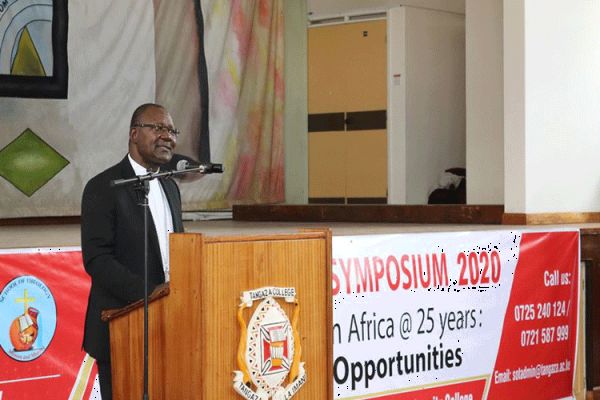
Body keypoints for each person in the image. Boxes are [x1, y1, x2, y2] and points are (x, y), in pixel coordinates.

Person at [80, 103, 184, 399]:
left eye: (172, 130)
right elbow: (97, 260)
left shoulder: (170, 188)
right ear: (134, 134)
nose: (168, 136)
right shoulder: (104, 186)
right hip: (121, 327)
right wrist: (150, 294)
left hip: (168, 327)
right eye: (158, 128)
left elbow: (177, 250)